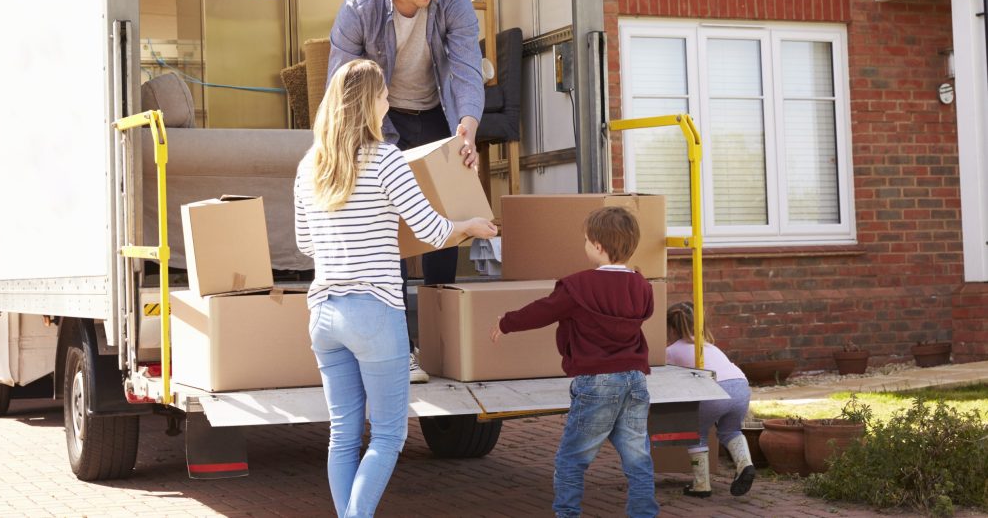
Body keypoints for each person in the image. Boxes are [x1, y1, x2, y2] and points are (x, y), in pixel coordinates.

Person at [295, 59, 496, 518]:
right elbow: (429, 229)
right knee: (388, 435)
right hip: (375, 311)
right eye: (384, 95)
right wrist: (470, 226)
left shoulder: (309, 166)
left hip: (324, 313)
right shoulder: (386, 160)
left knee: (344, 433)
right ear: (369, 103)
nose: (389, 102)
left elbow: (306, 243)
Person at [328, 0, 485, 384]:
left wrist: (468, 127)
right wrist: (366, 144)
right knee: (389, 223)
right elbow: (343, 82)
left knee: (444, 217)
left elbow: (465, 68)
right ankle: (399, 347)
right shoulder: (360, 5)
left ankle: (440, 341)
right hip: (381, 118)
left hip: (438, 113)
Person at [490, 207, 658, 518]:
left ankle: (567, 514)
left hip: (596, 381)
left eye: (585, 240)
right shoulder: (642, 286)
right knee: (638, 458)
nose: (584, 245)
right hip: (635, 379)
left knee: (572, 459)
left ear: (598, 246)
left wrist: (507, 322)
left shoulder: (578, 286)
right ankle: (644, 514)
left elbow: (543, 311)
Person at [665, 301, 755, 498]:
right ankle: (745, 465)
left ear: (671, 328)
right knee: (731, 430)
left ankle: (701, 485)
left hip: (714, 390)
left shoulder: (671, 351)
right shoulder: (709, 346)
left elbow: (664, 376)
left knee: (696, 433)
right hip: (740, 386)